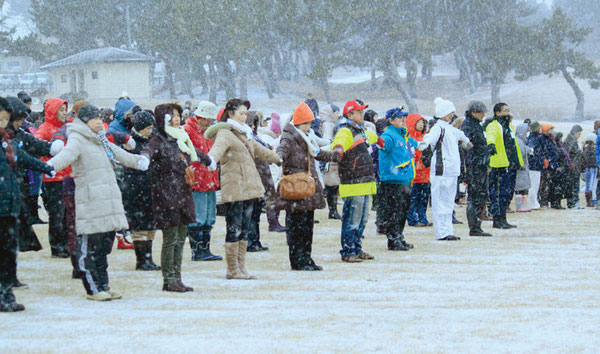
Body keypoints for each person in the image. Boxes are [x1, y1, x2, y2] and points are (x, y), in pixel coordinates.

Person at [48, 104, 149, 301]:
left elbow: (121, 155)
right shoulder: (77, 138)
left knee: (104, 248)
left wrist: (139, 161)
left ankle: (104, 285)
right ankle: (93, 289)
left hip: (108, 199)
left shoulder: (100, 139)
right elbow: (65, 156)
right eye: (94, 119)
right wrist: (48, 166)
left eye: (100, 119)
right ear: (84, 121)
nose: (99, 122)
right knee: (90, 248)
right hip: (91, 199)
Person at [205, 99, 281, 279]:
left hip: (248, 187)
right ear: (230, 114)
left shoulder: (244, 133)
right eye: (241, 113)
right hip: (234, 187)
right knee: (234, 228)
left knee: (244, 229)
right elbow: (217, 150)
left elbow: (260, 150)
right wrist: (210, 160)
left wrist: (278, 158)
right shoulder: (225, 133)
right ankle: (232, 269)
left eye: (246, 114)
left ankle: (241, 267)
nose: (244, 117)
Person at [144, 103, 212, 292]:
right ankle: (169, 279)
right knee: (171, 238)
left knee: (181, 237)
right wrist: (143, 160)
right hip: (166, 195)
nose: (176, 119)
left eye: (177, 115)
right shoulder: (158, 140)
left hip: (182, 192)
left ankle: (177, 277)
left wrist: (209, 160)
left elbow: (193, 153)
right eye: (172, 116)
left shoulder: (180, 137)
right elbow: (147, 153)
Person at [0, 97, 54, 312]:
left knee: (7, 251)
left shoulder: (7, 141)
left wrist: (46, 167)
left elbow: (23, 158)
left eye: (4, 118)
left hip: (8, 205)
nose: (2, 122)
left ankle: (6, 293)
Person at [276, 102, 341, 270]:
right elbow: (282, 150)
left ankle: (307, 257)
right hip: (295, 187)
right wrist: (279, 157)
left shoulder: (308, 137)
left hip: (306, 186)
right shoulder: (288, 136)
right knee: (297, 227)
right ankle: (298, 260)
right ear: (298, 123)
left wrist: (335, 156)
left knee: (307, 226)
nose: (309, 127)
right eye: (306, 124)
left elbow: (317, 153)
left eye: (310, 124)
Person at [331, 99, 383, 261]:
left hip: (365, 182)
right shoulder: (346, 130)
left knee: (362, 220)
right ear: (350, 114)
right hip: (354, 183)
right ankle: (348, 251)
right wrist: (338, 150)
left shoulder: (359, 130)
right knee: (352, 219)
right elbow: (339, 142)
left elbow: (371, 136)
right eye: (359, 112)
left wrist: (381, 139)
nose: (362, 115)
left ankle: (357, 248)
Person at [417, 97, 472, 241]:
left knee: (447, 202)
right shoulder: (438, 128)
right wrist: (424, 142)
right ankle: (441, 232)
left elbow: (460, 135)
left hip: (451, 170)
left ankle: (447, 230)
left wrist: (466, 140)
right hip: (442, 170)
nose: (451, 115)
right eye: (449, 112)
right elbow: (430, 137)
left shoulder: (449, 128)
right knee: (440, 201)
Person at [183, 101, 223, 261]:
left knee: (208, 217)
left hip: (208, 178)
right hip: (197, 179)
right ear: (203, 117)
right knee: (198, 217)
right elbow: (191, 151)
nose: (211, 122)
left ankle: (205, 249)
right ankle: (198, 250)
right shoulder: (188, 130)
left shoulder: (205, 131)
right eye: (209, 119)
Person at [122, 110, 161, 271]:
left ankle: (149, 258)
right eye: (148, 128)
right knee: (139, 227)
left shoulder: (151, 141)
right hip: (135, 190)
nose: (150, 131)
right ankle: (141, 260)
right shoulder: (130, 143)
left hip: (151, 189)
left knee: (150, 225)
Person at [34, 98, 70, 258]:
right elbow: (36, 148)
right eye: (61, 110)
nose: (64, 113)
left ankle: (67, 244)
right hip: (53, 179)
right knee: (57, 214)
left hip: (68, 176)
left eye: (65, 110)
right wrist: (48, 166)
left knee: (68, 213)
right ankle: (57, 246)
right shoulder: (44, 129)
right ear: (52, 111)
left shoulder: (67, 128)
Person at [378, 107, 417, 250]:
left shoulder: (402, 135)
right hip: (393, 180)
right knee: (395, 211)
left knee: (402, 211)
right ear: (391, 120)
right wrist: (378, 140)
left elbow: (416, 145)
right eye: (399, 118)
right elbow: (382, 143)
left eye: (404, 118)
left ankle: (399, 236)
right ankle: (393, 240)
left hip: (404, 178)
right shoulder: (389, 135)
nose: (403, 120)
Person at [485, 103, 523, 229]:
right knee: (498, 193)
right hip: (499, 165)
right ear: (498, 113)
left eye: (509, 110)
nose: (508, 113)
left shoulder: (510, 127)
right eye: (505, 110)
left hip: (511, 165)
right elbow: (490, 135)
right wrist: (490, 144)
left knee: (507, 193)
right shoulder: (494, 126)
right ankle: (497, 219)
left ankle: (503, 218)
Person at [460, 101, 492, 236]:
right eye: (481, 112)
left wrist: (487, 150)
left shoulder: (477, 125)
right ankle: (474, 226)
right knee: (475, 196)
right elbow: (469, 147)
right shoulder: (468, 126)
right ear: (474, 113)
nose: (483, 115)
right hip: (474, 166)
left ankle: (477, 225)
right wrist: (483, 151)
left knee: (481, 195)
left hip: (480, 165)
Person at [406, 113, 432, 228]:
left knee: (424, 198)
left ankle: (423, 217)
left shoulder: (426, 137)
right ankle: (412, 218)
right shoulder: (409, 139)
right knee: (413, 198)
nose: (421, 125)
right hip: (414, 174)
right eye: (418, 122)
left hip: (426, 173)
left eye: (422, 122)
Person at [320, 104, 342, 219]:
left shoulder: (332, 124)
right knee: (332, 186)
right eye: (336, 112)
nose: (338, 114)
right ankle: (333, 211)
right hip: (331, 160)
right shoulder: (328, 125)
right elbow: (327, 141)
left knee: (333, 185)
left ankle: (333, 210)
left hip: (332, 159)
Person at [538, 123, 559, 209]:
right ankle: (543, 202)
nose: (552, 131)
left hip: (551, 164)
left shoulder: (549, 139)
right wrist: (547, 160)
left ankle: (545, 201)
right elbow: (544, 151)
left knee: (548, 184)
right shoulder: (543, 139)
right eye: (550, 130)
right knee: (544, 184)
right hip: (548, 164)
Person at [514, 123, 533, 212]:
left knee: (522, 188)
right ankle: (520, 206)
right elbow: (521, 153)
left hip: (523, 168)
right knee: (519, 188)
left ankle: (523, 205)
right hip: (520, 168)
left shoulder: (521, 141)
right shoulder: (518, 141)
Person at [564, 125, 584, 209]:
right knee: (573, 186)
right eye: (579, 134)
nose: (579, 136)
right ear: (575, 132)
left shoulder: (571, 140)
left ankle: (574, 202)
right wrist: (571, 164)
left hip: (575, 167)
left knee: (574, 186)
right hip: (572, 168)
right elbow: (567, 154)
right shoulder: (570, 141)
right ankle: (572, 203)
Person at [527, 121, 544, 210]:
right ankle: (533, 204)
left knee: (534, 185)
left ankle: (533, 203)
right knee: (534, 185)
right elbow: (530, 150)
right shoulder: (534, 139)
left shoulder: (534, 138)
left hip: (535, 165)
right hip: (534, 165)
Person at [582, 133, 597, 207]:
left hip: (591, 168)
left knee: (590, 185)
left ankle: (590, 201)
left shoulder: (587, 148)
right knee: (589, 185)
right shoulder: (589, 149)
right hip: (590, 168)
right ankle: (589, 202)